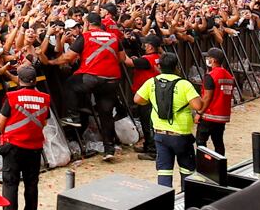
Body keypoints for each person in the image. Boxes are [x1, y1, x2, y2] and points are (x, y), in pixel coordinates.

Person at [0, 64, 48, 210]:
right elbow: (44, 122)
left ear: (19, 79)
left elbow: (0, 122)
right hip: (34, 146)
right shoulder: (45, 98)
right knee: (31, 184)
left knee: (10, 185)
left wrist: (8, 134)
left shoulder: (12, 97)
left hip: (13, 146)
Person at [67, 10, 126, 162]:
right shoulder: (113, 36)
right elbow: (122, 58)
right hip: (112, 79)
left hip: (91, 77)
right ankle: (109, 149)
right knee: (106, 114)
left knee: (71, 84)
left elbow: (69, 56)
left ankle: (74, 116)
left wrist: (53, 62)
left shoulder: (85, 36)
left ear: (87, 23)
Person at [138, 51, 202, 191]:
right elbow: (198, 105)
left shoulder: (151, 82)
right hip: (181, 134)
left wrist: (152, 101)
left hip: (160, 134)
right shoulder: (184, 84)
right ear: (176, 67)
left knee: (164, 171)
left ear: (159, 66)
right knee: (187, 170)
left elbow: (138, 99)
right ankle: (186, 198)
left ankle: (165, 200)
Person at [197, 48, 234, 157]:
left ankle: (203, 164)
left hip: (209, 115)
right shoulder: (229, 76)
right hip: (222, 116)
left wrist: (199, 113)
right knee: (218, 142)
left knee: (201, 142)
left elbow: (207, 97)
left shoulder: (211, 76)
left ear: (213, 60)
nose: (207, 60)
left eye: (208, 58)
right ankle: (220, 164)